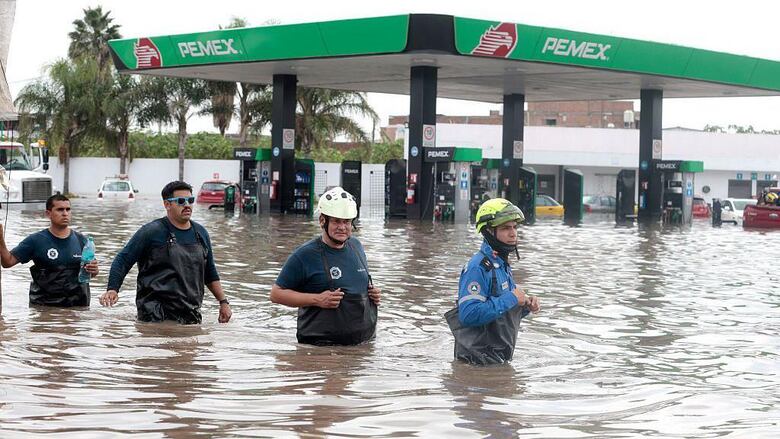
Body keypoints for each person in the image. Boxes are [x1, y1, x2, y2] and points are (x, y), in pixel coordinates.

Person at [99, 181, 232, 324]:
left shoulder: (201, 233)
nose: (187, 205)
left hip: (190, 314)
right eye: (181, 201)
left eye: (190, 200)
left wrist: (223, 302)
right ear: (167, 204)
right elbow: (122, 260)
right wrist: (113, 289)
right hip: (154, 314)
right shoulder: (151, 232)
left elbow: (210, 272)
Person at [270, 186, 380, 345]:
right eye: (336, 221)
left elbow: (356, 282)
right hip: (320, 350)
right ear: (323, 221)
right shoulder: (304, 255)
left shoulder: (357, 246)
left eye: (347, 222)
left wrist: (373, 294)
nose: (342, 227)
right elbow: (276, 294)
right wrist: (317, 299)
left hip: (362, 348)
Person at [445, 198, 540, 365]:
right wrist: (511, 298)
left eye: (514, 227)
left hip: (498, 362)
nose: (513, 233)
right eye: (505, 228)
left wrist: (525, 306)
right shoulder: (478, 267)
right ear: (489, 231)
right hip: (476, 366)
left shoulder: (501, 265)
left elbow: (501, 314)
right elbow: (468, 314)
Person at [0, 194, 98, 307]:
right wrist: (1, 239)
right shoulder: (35, 240)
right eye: (60, 209)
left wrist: (94, 270)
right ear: (48, 213)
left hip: (77, 308)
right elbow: (7, 262)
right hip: (45, 308)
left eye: (68, 209)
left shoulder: (82, 240)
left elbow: (92, 273)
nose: (65, 213)